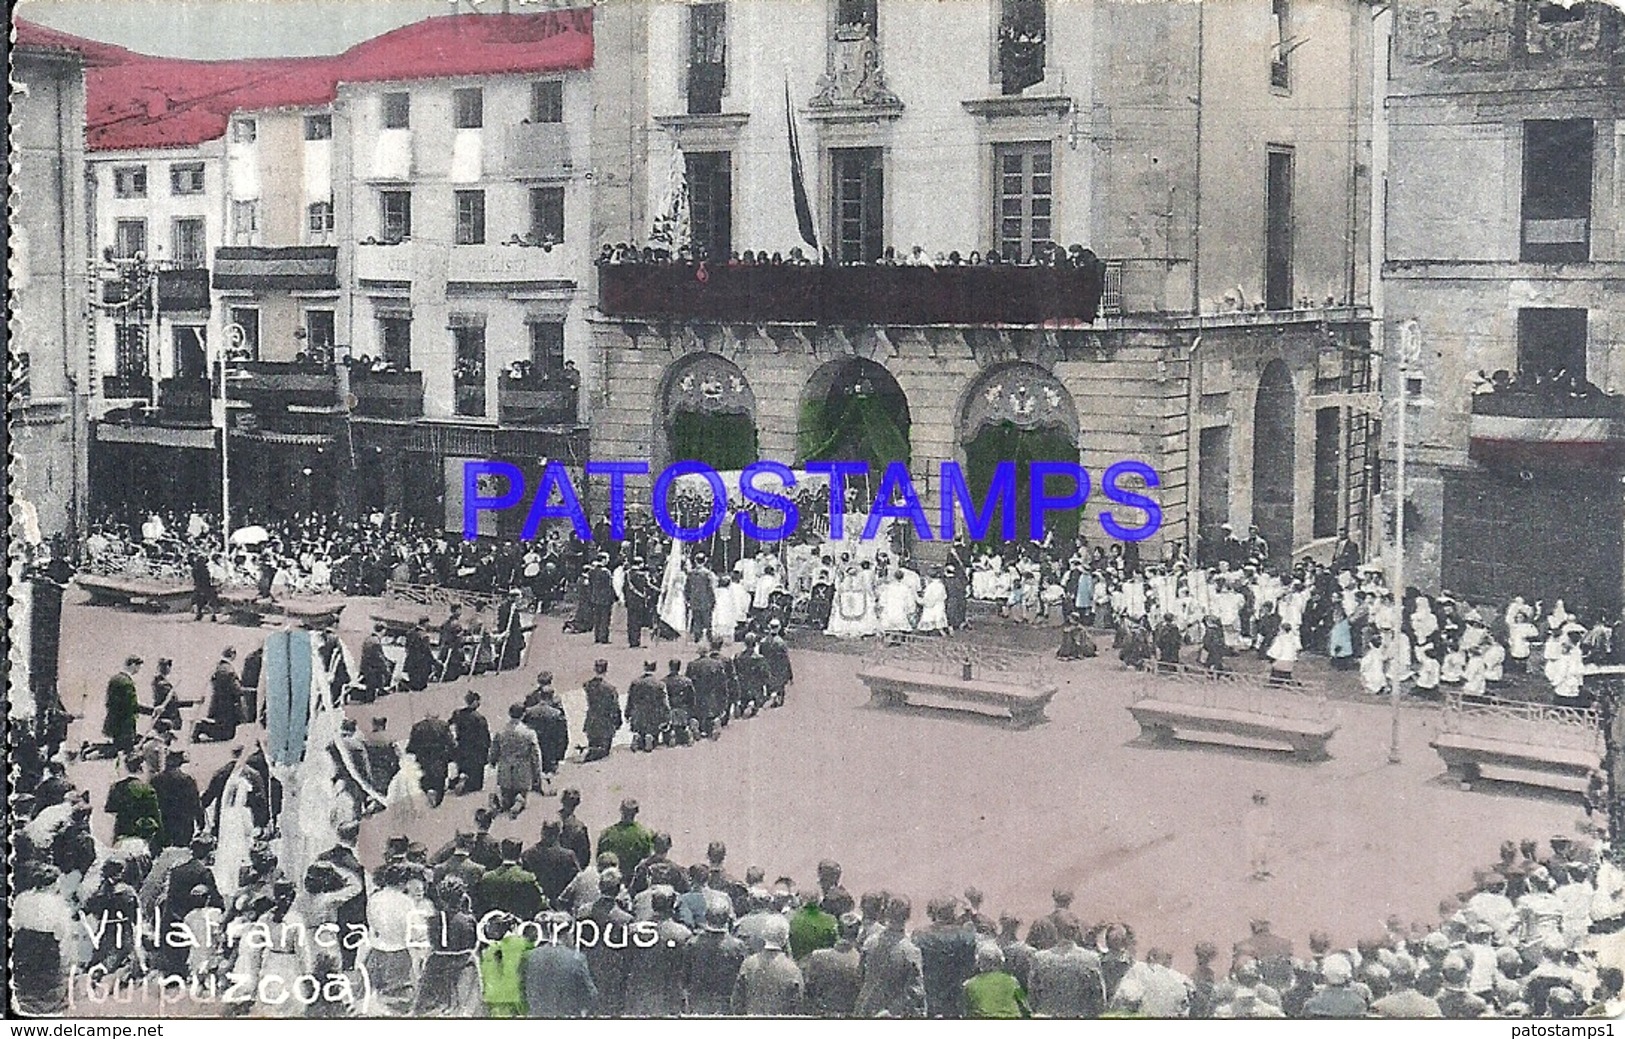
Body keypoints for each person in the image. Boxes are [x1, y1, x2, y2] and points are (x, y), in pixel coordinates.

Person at [855, 896, 927, 1018]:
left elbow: (859, 975)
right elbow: (915, 990)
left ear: (886, 913)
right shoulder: (910, 950)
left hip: (866, 1008)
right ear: (908, 916)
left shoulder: (870, 942)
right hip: (893, 1013)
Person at [521, 912, 599, 1017]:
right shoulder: (576, 958)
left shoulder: (530, 956)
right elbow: (591, 994)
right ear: (569, 933)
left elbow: (522, 988)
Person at [732, 914, 805, 1015]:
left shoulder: (748, 964)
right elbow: (798, 1004)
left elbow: (737, 1001)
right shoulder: (792, 969)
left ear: (764, 935)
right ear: (785, 939)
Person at [489, 703, 545, 818]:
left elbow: (494, 749)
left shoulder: (501, 731)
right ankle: (519, 801)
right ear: (523, 715)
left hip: (505, 766)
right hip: (522, 767)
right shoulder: (529, 733)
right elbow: (535, 754)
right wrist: (537, 772)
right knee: (522, 791)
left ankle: (504, 802)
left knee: (506, 791)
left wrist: (492, 761)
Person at [151, 748, 201, 850]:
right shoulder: (187, 780)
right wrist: (200, 821)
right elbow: (195, 803)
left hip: (164, 823)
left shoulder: (156, 780)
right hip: (183, 823)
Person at [964, 944, 1031, 1019]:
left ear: (979, 963)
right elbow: (1025, 1007)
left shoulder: (969, 985)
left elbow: (965, 1010)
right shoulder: (1012, 981)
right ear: (1000, 962)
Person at [192, 649, 243, 743]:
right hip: (228, 704)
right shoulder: (229, 669)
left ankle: (202, 726)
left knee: (223, 728)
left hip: (218, 702)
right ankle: (201, 727)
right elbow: (236, 688)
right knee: (227, 734)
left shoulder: (219, 667)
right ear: (232, 655)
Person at [407, 712, 456, 807]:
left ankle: (429, 790)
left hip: (423, 757)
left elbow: (411, 745)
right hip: (440, 757)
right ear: (437, 716)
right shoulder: (443, 725)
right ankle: (437, 800)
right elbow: (450, 742)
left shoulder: (417, 726)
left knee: (426, 776)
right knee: (440, 778)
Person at [597, 798, 655, 877]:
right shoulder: (645, 834)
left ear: (621, 810)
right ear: (636, 812)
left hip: (610, 880)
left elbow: (600, 858)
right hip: (634, 881)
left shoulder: (607, 833)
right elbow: (649, 859)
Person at [449, 691, 491, 796]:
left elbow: (449, 724)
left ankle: (459, 779)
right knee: (476, 781)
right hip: (476, 749)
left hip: (462, 746)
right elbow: (485, 736)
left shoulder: (458, 714)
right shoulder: (479, 718)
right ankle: (467, 784)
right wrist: (487, 749)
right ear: (475, 702)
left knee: (463, 767)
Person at [103, 655, 145, 756]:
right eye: (138, 666)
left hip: (114, 724)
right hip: (125, 726)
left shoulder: (115, 679)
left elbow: (109, 703)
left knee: (118, 754)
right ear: (133, 665)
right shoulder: (127, 682)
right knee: (127, 754)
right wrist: (153, 710)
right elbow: (133, 705)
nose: (138, 670)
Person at [625, 660, 669, 753]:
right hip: (653, 717)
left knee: (639, 729)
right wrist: (666, 717)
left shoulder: (635, 682)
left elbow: (630, 700)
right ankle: (650, 737)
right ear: (655, 668)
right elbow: (663, 703)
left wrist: (627, 714)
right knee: (654, 735)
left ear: (644, 668)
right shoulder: (659, 684)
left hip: (638, 716)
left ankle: (638, 736)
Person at [583, 659, 622, 762]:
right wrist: (618, 721)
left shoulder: (587, 685)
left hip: (592, 721)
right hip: (606, 723)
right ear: (606, 670)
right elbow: (615, 707)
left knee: (593, 744)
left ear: (594, 669)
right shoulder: (610, 688)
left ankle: (591, 753)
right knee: (604, 752)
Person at [760, 619, 794, 708]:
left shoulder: (763, 641)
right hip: (778, 670)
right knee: (779, 686)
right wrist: (790, 675)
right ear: (779, 628)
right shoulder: (781, 643)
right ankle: (776, 696)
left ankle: (770, 695)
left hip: (766, 668)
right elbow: (786, 660)